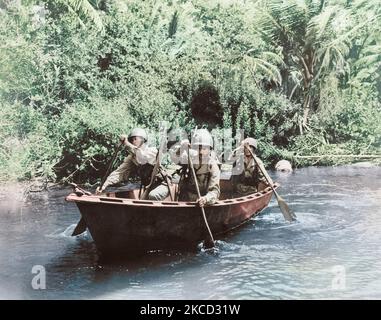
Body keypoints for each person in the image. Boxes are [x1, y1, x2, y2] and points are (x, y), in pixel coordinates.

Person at [96, 128, 170, 201]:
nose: (133, 141)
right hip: (149, 187)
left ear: (143, 139)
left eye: (135, 139)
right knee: (141, 206)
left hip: (163, 184)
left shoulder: (152, 151)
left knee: (154, 195)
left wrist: (127, 143)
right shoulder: (132, 158)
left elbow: (142, 157)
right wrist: (103, 185)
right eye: (131, 140)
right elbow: (119, 173)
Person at [170, 129, 220, 207]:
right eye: (198, 148)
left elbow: (214, 192)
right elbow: (174, 158)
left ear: (210, 150)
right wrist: (181, 148)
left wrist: (206, 199)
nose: (200, 152)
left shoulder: (213, 166)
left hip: (201, 203)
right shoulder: (190, 157)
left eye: (204, 149)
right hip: (184, 200)